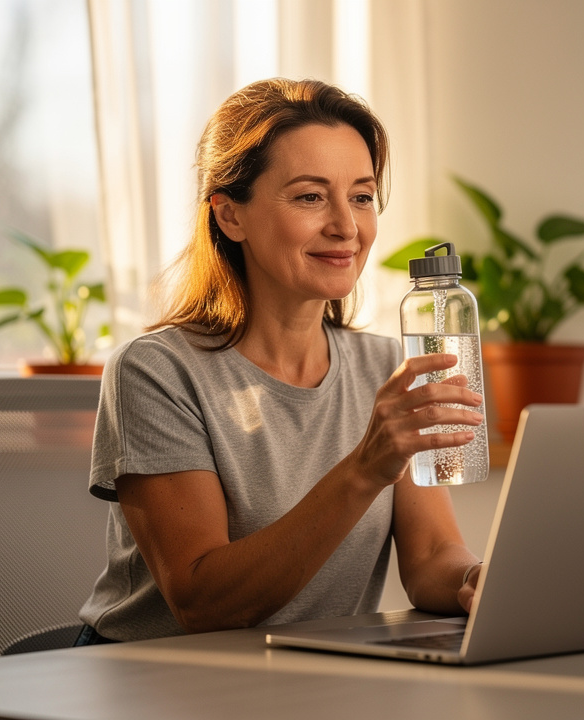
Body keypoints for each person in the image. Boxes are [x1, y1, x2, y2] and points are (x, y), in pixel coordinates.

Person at [76, 78, 484, 645]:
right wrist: (365, 467)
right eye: (310, 197)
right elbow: (202, 603)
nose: (347, 226)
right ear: (230, 216)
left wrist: (473, 579)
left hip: (307, 676)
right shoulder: (155, 373)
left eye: (362, 196)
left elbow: (433, 555)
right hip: (160, 679)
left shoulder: (384, 366)